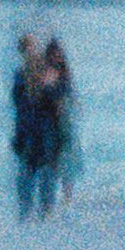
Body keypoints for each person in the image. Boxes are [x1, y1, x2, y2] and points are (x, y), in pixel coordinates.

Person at [10, 36, 53, 220]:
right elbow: (19, 106)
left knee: (39, 174)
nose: (28, 53)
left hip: (40, 130)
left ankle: (40, 214)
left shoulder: (41, 74)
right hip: (29, 130)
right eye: (25, 49)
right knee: (29, 175)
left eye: (30, 48)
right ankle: (30, 214)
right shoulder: (21, 75)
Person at [41, 36, 77, 211]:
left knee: (66, 160)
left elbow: (68, 99)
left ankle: (66, 198)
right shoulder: (49, 75)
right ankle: (52, 201)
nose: (56, 58)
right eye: (53, 55)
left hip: (63, 122)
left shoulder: (62, 75)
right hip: (53, 123)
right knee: (54, 161)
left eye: (58, 55)